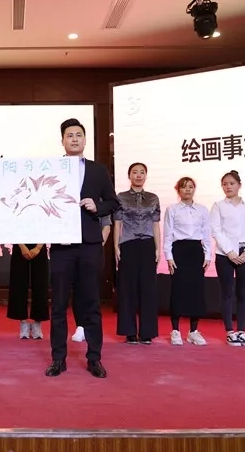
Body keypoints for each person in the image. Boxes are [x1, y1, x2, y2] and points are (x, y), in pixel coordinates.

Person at [46, 118, 118, 378]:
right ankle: (58, 359)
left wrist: (97, 207)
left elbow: (113, 202)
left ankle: (94, 358)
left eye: (78, 135)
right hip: (61, 246)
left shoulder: (98, 170)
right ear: (62, 141)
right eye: (69, 135)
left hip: (89, 244)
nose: (74, 139)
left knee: (91, 303)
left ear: (85, 140)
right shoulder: (51, 169)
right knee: (58, 305)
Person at [209, 170, 245, 347]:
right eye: (224, 184)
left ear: (239, 185)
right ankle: (230, 331)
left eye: (231, 183)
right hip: (225, 254)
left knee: (243, 293)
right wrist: (230, 251)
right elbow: (215, 230)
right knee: (227, 292)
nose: (228, 187)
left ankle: (242, 331)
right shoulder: (218, 206)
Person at [114, 162, 161, 344]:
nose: (139, 175)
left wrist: (158, 248)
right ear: (129, 176)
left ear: (146, 176)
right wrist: (116, 246)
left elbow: (155, 224)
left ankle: (147, 332)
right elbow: (118, 223)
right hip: (128, 243)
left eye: (142, 172)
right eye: (135, 172)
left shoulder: (153, 198)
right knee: (128, 289)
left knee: (148, 289)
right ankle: (130, 331)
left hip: (147, 244)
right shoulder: (121, 197)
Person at [163, 177, 211, 346]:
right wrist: (168, 256)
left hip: (196, 251)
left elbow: (206, 234)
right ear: (178, 190)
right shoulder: (172, 209)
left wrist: (208, 255)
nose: (188, 190)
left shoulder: (203, 210)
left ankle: (193, 331)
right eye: (184, 187)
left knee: (196, 291)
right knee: (178, 290)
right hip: (179, 251)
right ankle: (175, 330)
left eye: (191, 187)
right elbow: (168, 234)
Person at [72, 215, 111, 342]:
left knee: (92, 290)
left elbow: (106, 227)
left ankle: (92, 328)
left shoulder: (101, 206)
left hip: (94, 250)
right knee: (78, 288)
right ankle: (80, 326)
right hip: (75, 250)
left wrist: (97, 246)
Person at [6, 242, 48, 339]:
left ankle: (37, 323)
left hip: (40, 245)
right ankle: (23, 322)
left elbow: (47, 231)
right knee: (18, 282)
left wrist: (38, 248)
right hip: (20, 245)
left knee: (40, 283)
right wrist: (22, 246)